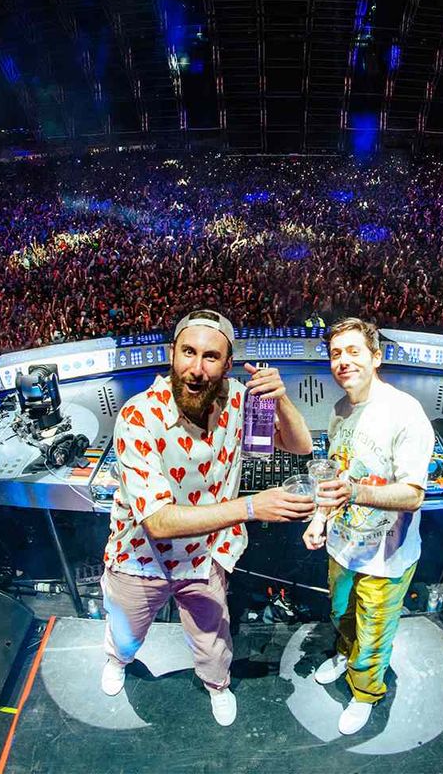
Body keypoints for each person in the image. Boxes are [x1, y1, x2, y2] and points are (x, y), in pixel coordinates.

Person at [100, 308, 315, 726]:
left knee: (213, 639)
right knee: (125, 634)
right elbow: (158, 521)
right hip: (140, 560)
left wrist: (282, 399)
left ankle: (217, 685)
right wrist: (251, 508)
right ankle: (117, 660)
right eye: (188, 352)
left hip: (205, 556)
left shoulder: (238, 398)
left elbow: (300, 446)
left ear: (227, 364)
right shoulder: (138, 416)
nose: (196, 369)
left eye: (210, 357)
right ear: (172, 353)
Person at [303, 317, 435, 735]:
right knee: (341, 613)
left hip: (387, 554)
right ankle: (345, 654)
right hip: (343, 544)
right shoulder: (339, 412)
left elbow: (413, 495)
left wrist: (355, 492)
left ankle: (364, 693)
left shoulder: (405, 413)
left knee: (374, 631)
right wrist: (319, 518)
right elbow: (336, 474)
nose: (343, 361)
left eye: (353, 351)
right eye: (335, 354)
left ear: (376, 357)